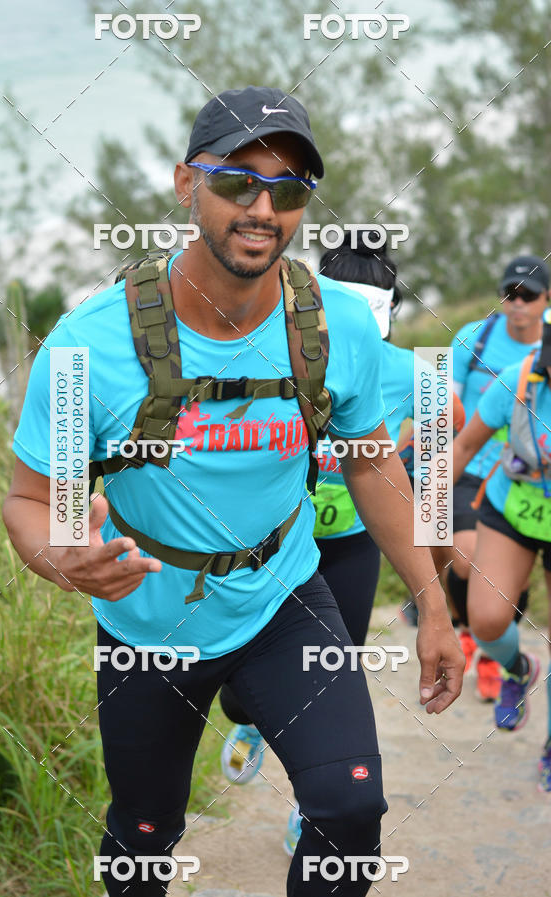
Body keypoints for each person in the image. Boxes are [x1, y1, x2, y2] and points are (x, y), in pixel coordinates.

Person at [2, 86, 463, 897]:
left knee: (351, 808)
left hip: (284, 596)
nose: (262, 207)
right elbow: (34, 499)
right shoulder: (87, 348)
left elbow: (370, 463)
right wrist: (64, 559)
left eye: (288, 189)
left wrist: (432, 600)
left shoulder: (336, 328)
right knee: (145, 836)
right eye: (236, 181)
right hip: (151, 621)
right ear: (187, 186)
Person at [219, 230, 416, 855]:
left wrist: (409, 457)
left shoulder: (414, 372)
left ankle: (317, 806)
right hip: (277, 544)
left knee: (333, 673)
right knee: (240, 690)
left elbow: (451, 430)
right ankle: (248, 721)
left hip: (353, 545)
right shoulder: (273, 351)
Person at [436, 256, 549, 700]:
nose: (516, 304)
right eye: (509, 294)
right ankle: (465, 632)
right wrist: (425, 477)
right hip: (476, 470)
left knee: (510, 585)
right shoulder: (473, 339)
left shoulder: (541, 354)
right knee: (464, 558)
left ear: (546, 299)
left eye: (527, 295)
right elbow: (436, 411)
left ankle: (497, 656)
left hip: (526, 482)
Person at [453, 307, 551, 792]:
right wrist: (424, 519)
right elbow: (463, 446)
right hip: (512, 510)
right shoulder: (519, 378)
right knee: (488, 620)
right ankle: (518, 667)